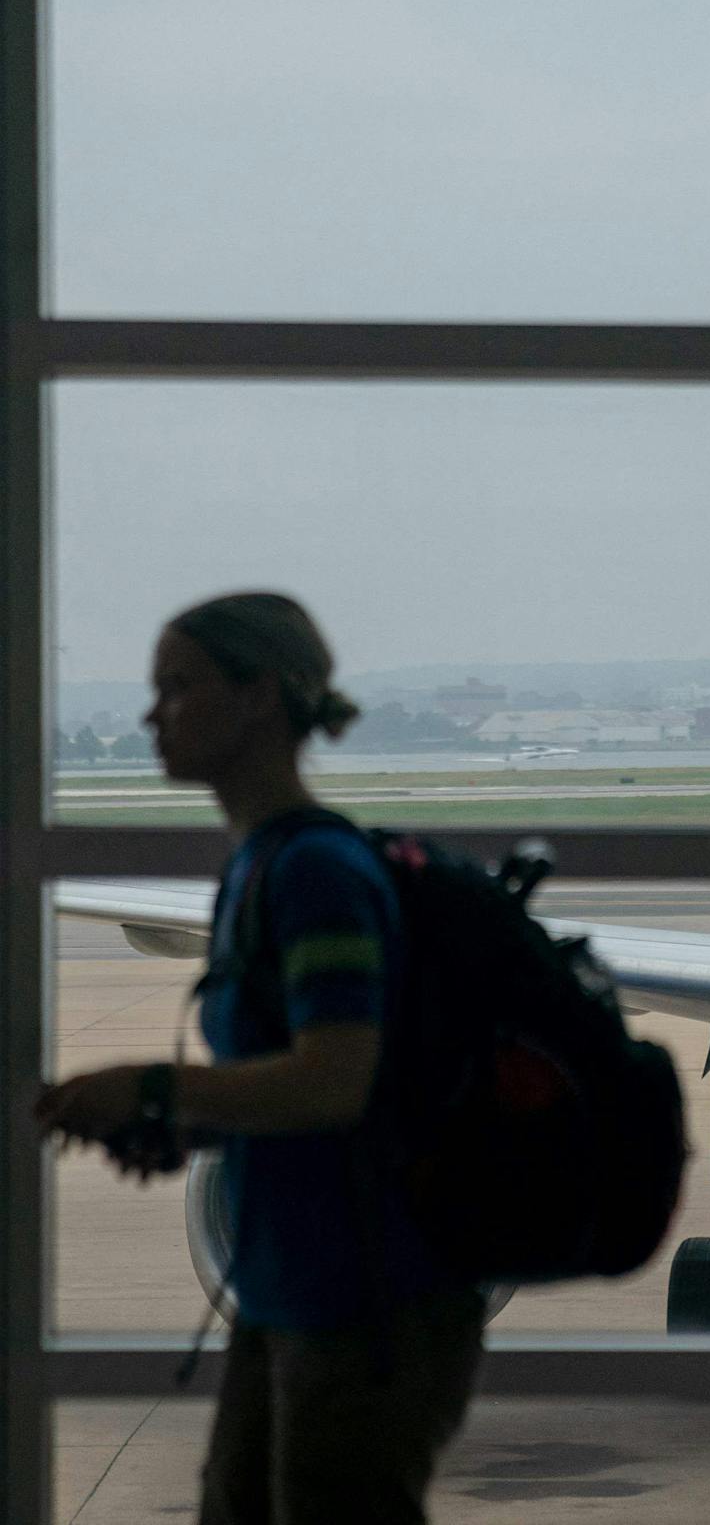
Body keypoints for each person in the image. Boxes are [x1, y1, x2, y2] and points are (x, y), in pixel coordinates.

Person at [37, 591, 483, 1524]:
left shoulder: (315, 873)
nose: (151, 715)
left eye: (178, 687)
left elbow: (335, 1079)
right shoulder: (259, 865)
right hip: (291, 1292)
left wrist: (151, 1087)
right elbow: (305, 1095)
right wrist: (179, 1122)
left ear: (258, 699)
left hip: (361, 1305)